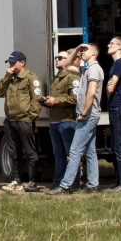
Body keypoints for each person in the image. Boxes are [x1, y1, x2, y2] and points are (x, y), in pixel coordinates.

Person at [46, 43, 104, 195]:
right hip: (90, 115)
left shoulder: (93, 70)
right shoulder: (86, 69)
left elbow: (91, 93)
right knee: (90, 151)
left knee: (75, 150)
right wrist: (77, 49)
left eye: (85, 50)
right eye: (82, 51)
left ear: (93, 53)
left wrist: (84, 113)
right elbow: (66, 64)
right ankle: (92, 185)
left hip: (88, 115)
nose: (82, 53)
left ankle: (65, 185)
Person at [0, 50, 42, 192]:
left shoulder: (30, 77)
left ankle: (32, 181)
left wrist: (29, 118)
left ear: (22, 63)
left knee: (30, 152)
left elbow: (37, 99)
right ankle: (16, 181)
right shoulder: (10, 78)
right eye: (10, 63)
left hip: (24, 120)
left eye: (13, 63)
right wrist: (6, 77)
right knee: (14, 152)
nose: (11, 65)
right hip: (10, 120)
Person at [41, 51, 79, 190]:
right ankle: (58, 182)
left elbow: (74, 98)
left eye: (61, 58)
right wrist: (46, 101)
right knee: (58, 154)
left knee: (71, 153)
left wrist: (55, 100)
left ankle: (74, 183)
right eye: (56, 57)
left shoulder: (72, 77)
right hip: (54, 121)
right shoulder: (55, 78)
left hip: (67, 120)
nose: (57, 60)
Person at [103, 35, 121, 193]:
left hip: (119, 107)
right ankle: (118, 182)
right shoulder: (117, 64)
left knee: (120, 146)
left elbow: (111, 87)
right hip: (115, 107)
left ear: (120, 47)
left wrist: (109, 87)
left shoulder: (120, 64)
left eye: (112, 43)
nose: (109, 45)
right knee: (115, 146)